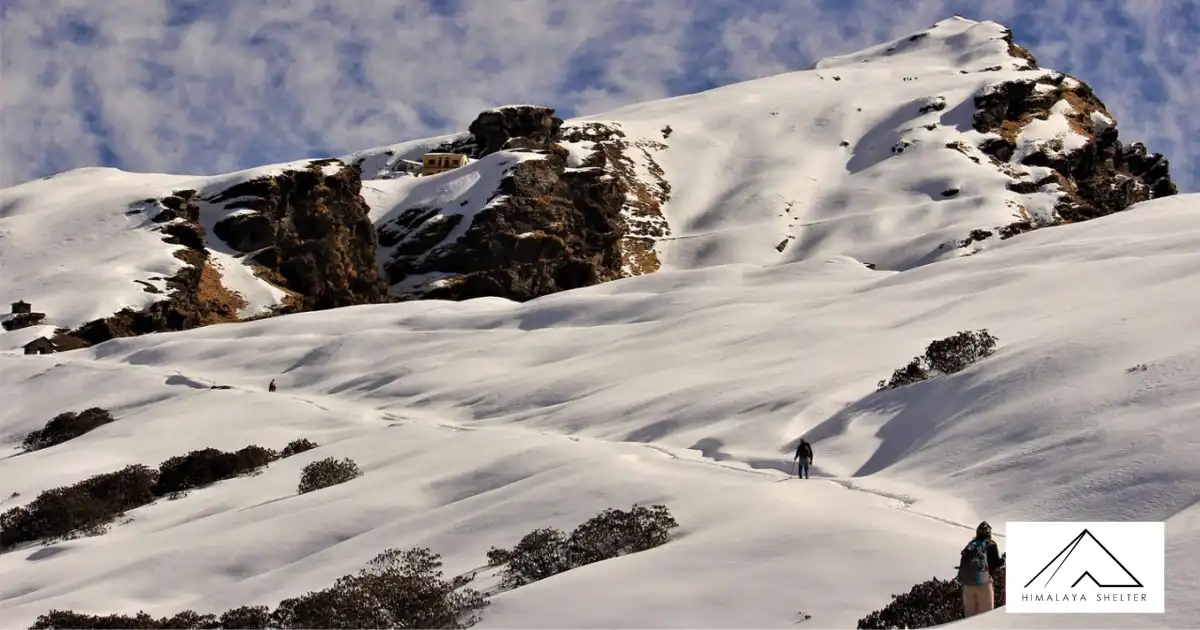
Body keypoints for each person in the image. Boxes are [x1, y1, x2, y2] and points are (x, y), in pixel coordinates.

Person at [957, 521, 1006, 618]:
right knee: (985, 618)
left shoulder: (971, 545)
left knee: (969, 618)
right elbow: (995, 565)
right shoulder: (990, 544)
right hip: (983, 583)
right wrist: (1004, 559)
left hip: (967, 584)